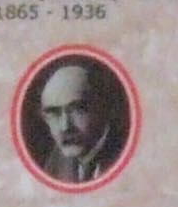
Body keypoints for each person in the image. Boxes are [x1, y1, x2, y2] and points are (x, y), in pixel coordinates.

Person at [23, 55, 130, 185]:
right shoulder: (56, 162)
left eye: (78, 109)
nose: (65, 127)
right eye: (53, 113)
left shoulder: (126, 153)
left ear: (103, 108)